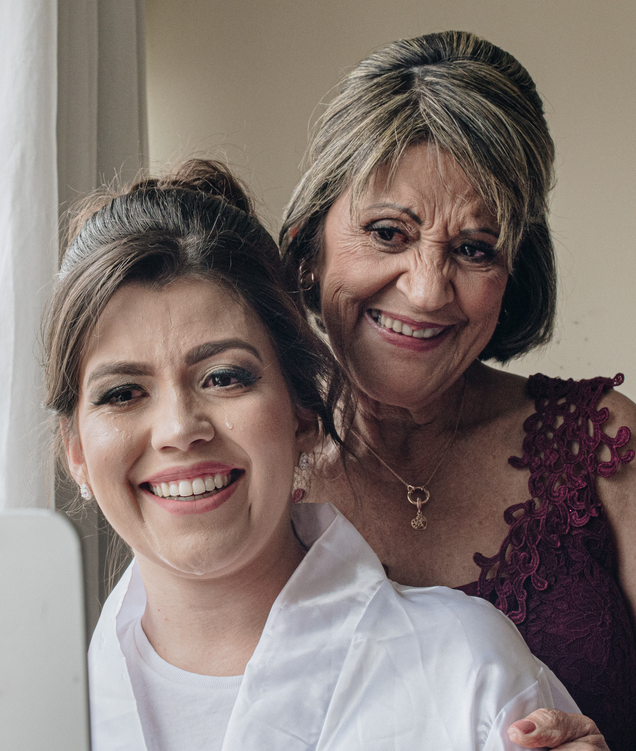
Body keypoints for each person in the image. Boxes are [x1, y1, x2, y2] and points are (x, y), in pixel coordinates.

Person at [279, 31, 636, 751]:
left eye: (474, 249)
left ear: (512, 275)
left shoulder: (598, 443)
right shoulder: (261, 468)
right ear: (308, 246)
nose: (427, 289)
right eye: (388, 233)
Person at [43, 160, 577, 750]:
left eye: (224, 377)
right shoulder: (31, 719)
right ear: (76, 451)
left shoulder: (469, 671)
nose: (178, 430)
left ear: (303, 411)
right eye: (122, 393)